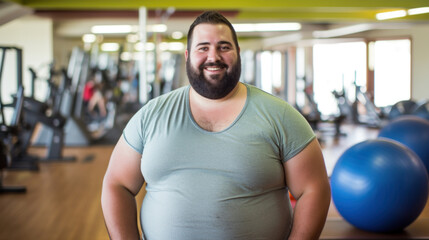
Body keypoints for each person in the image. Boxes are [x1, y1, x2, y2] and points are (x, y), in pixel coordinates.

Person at [101, 11, 331, 240]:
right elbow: (117, 184)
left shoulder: (281, 116)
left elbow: (314, 189)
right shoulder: (151, 115)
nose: (214, 56)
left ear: (237, 53)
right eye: (203, 48)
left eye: (224, 47)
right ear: (188, 55)